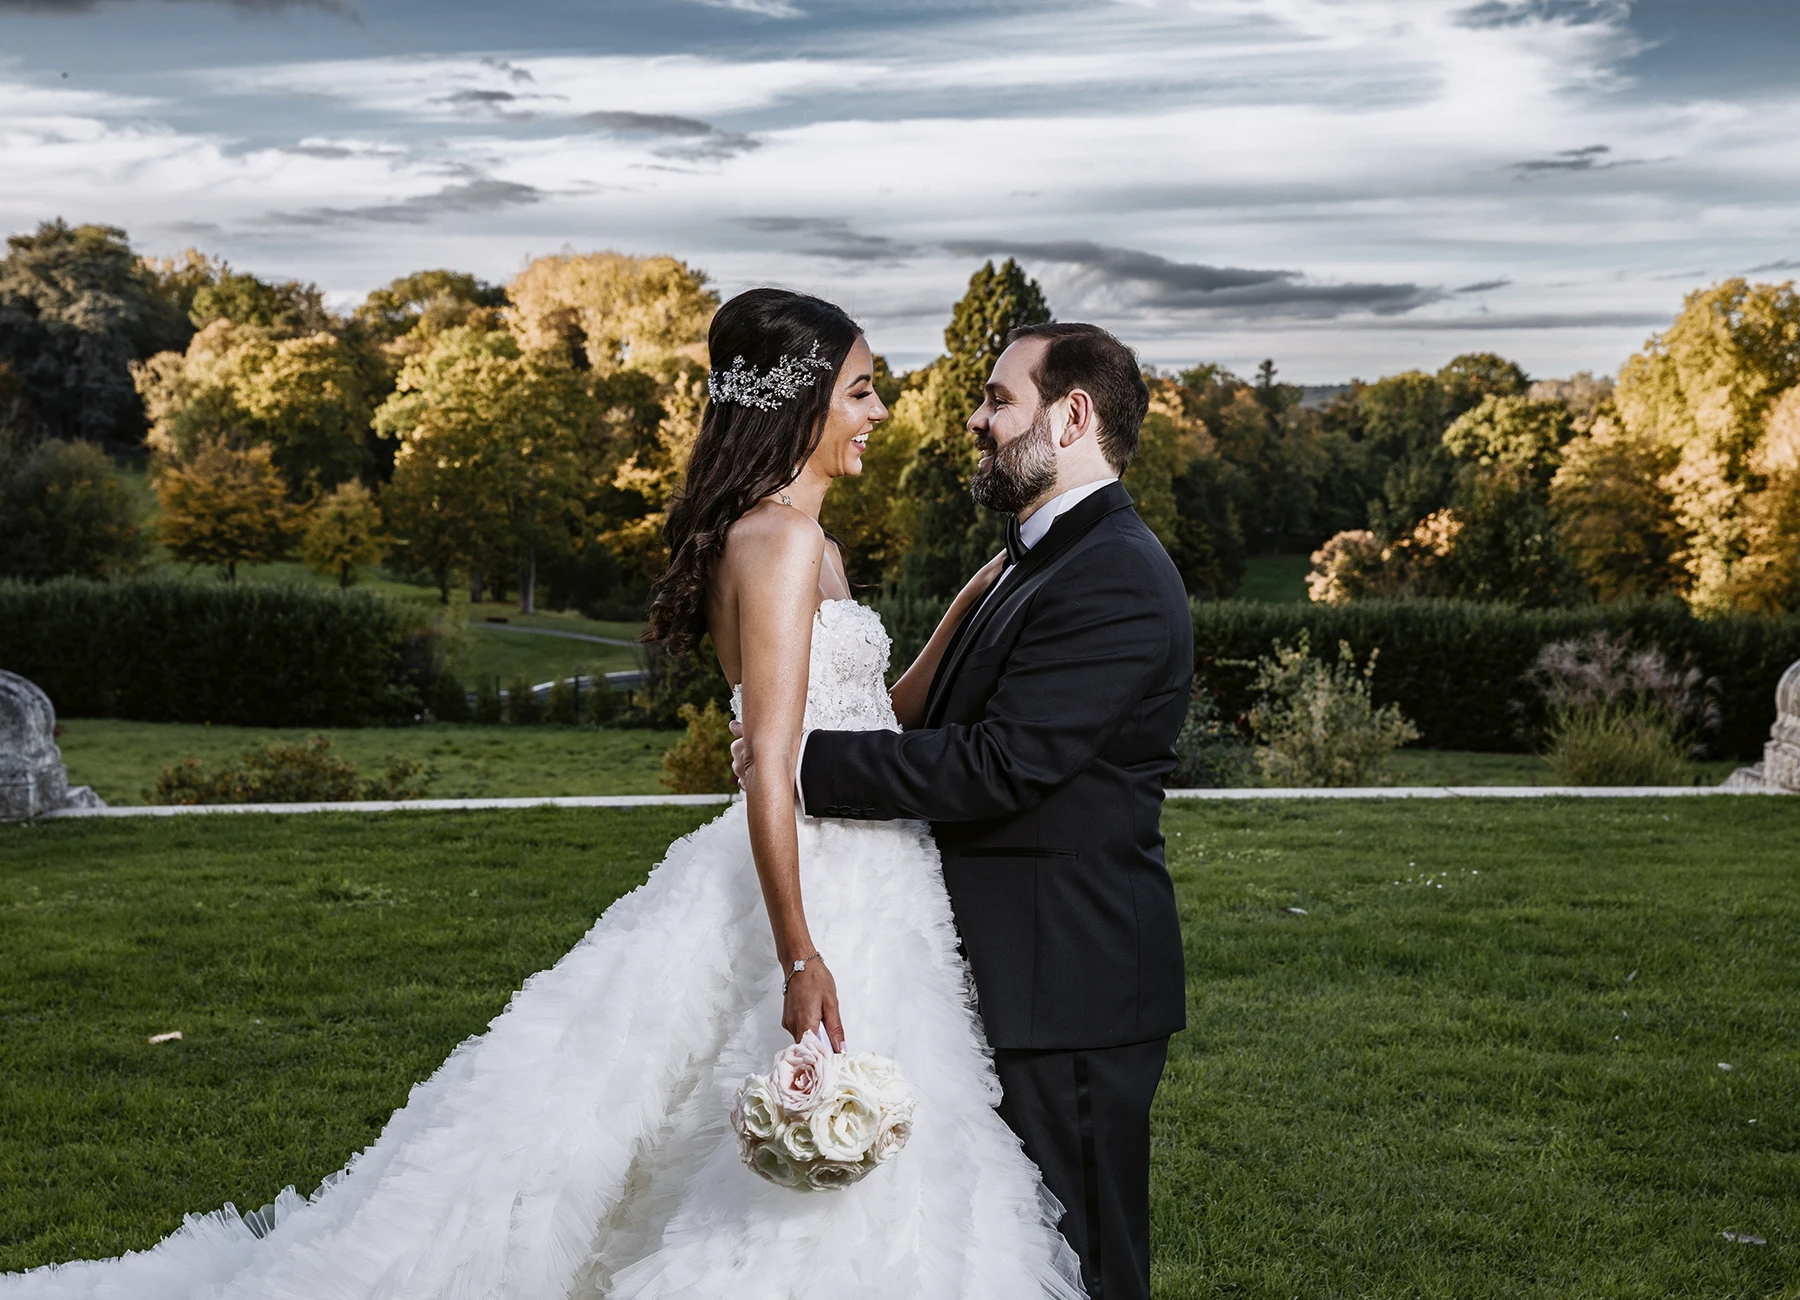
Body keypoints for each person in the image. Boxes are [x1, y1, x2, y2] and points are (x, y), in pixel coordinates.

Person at [0, 288, 1085, 1299]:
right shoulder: (781, 540)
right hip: (812, 862)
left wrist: (963, 606)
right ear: (801, 404)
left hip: (876, 864)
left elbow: (865, 722)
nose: (880, 412)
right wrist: (799, 952)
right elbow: (767, 758)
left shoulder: (816, 547)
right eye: (859, 390)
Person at [734, 322, 1192, 1300]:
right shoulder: (1032, 558)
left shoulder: (1110, 571)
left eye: (996, 400)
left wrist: (798, 764)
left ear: (1073, 416)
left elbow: (1002, 764)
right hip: (1006, 973)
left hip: (1067, 987)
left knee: (1083, 1262)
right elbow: (928, 720)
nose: (973, 421)